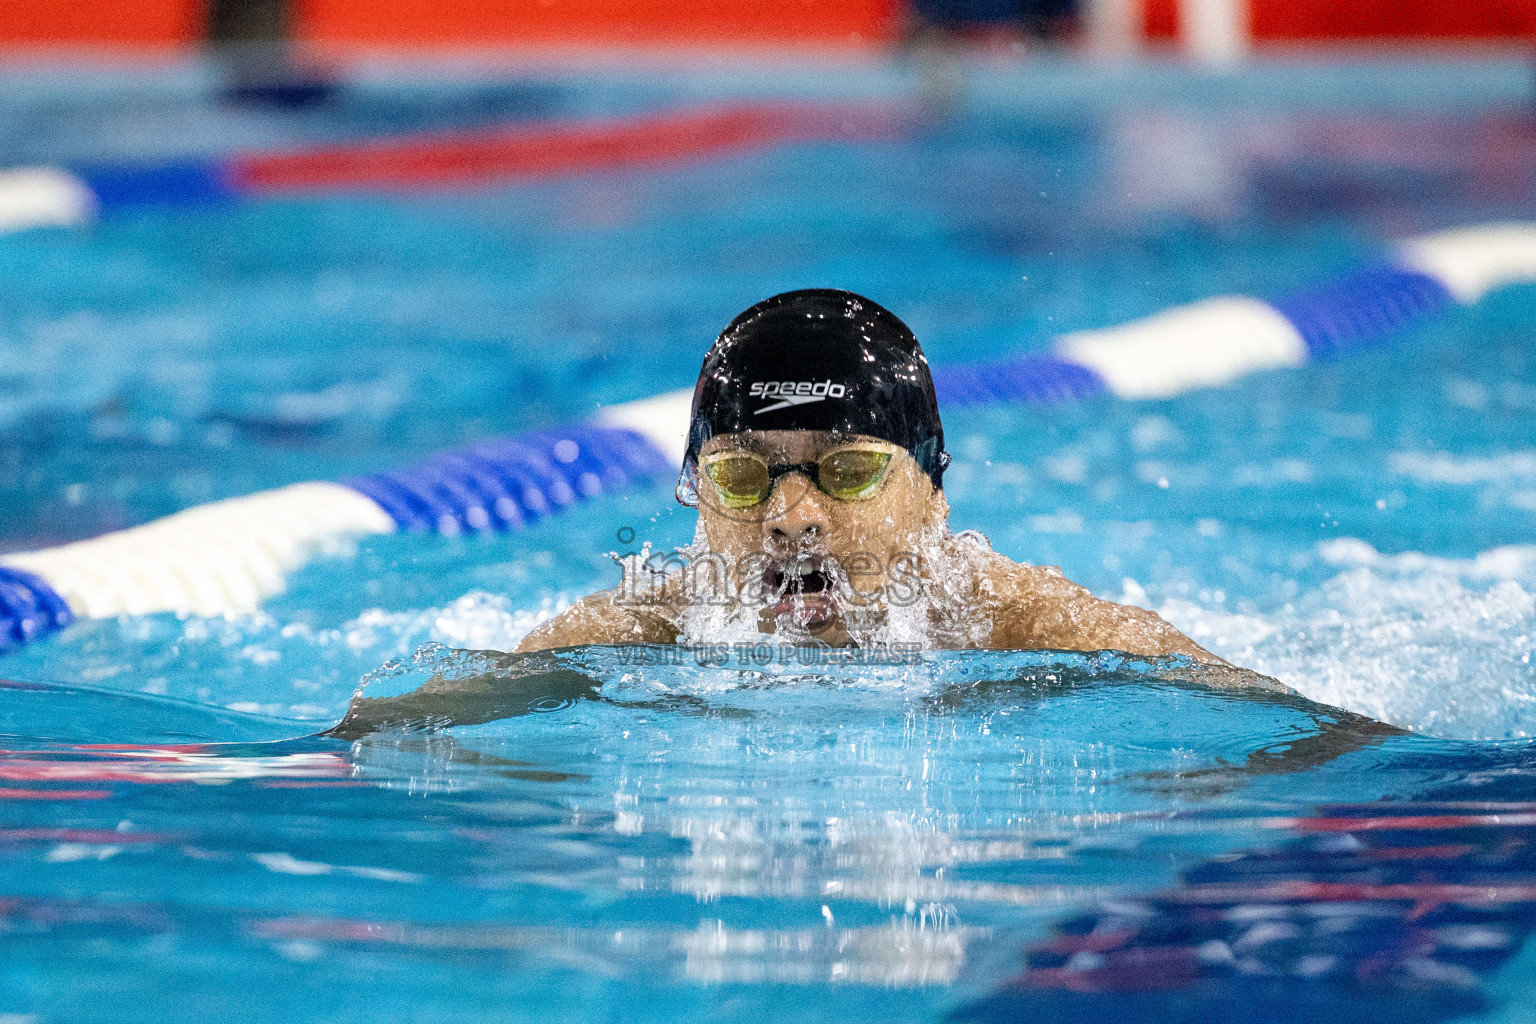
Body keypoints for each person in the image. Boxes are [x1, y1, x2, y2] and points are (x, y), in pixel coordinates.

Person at [516, 288, 1222, 664]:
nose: (790, 516)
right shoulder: (634, 634)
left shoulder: (1033, 630)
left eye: (849, 470)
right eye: (741, 475)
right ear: (699, 497)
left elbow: (1299, 746)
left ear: (931, 496)